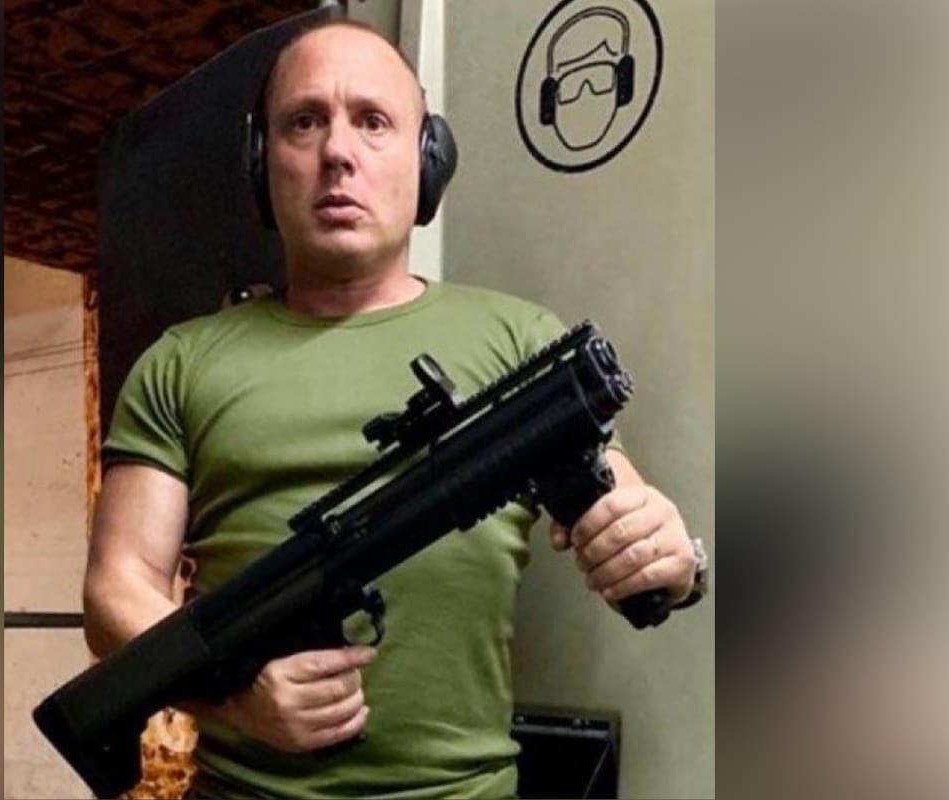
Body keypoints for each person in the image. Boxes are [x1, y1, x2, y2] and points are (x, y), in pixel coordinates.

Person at [83, 19, 700, 799]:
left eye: (373, 121)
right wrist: (234, 699)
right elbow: (116, 591)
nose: (338, 152)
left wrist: (674, 557)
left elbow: (630, 522)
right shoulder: (181, 362)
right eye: (304, 122)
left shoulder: (522, 344)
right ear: (260, 162)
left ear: (426, 159)